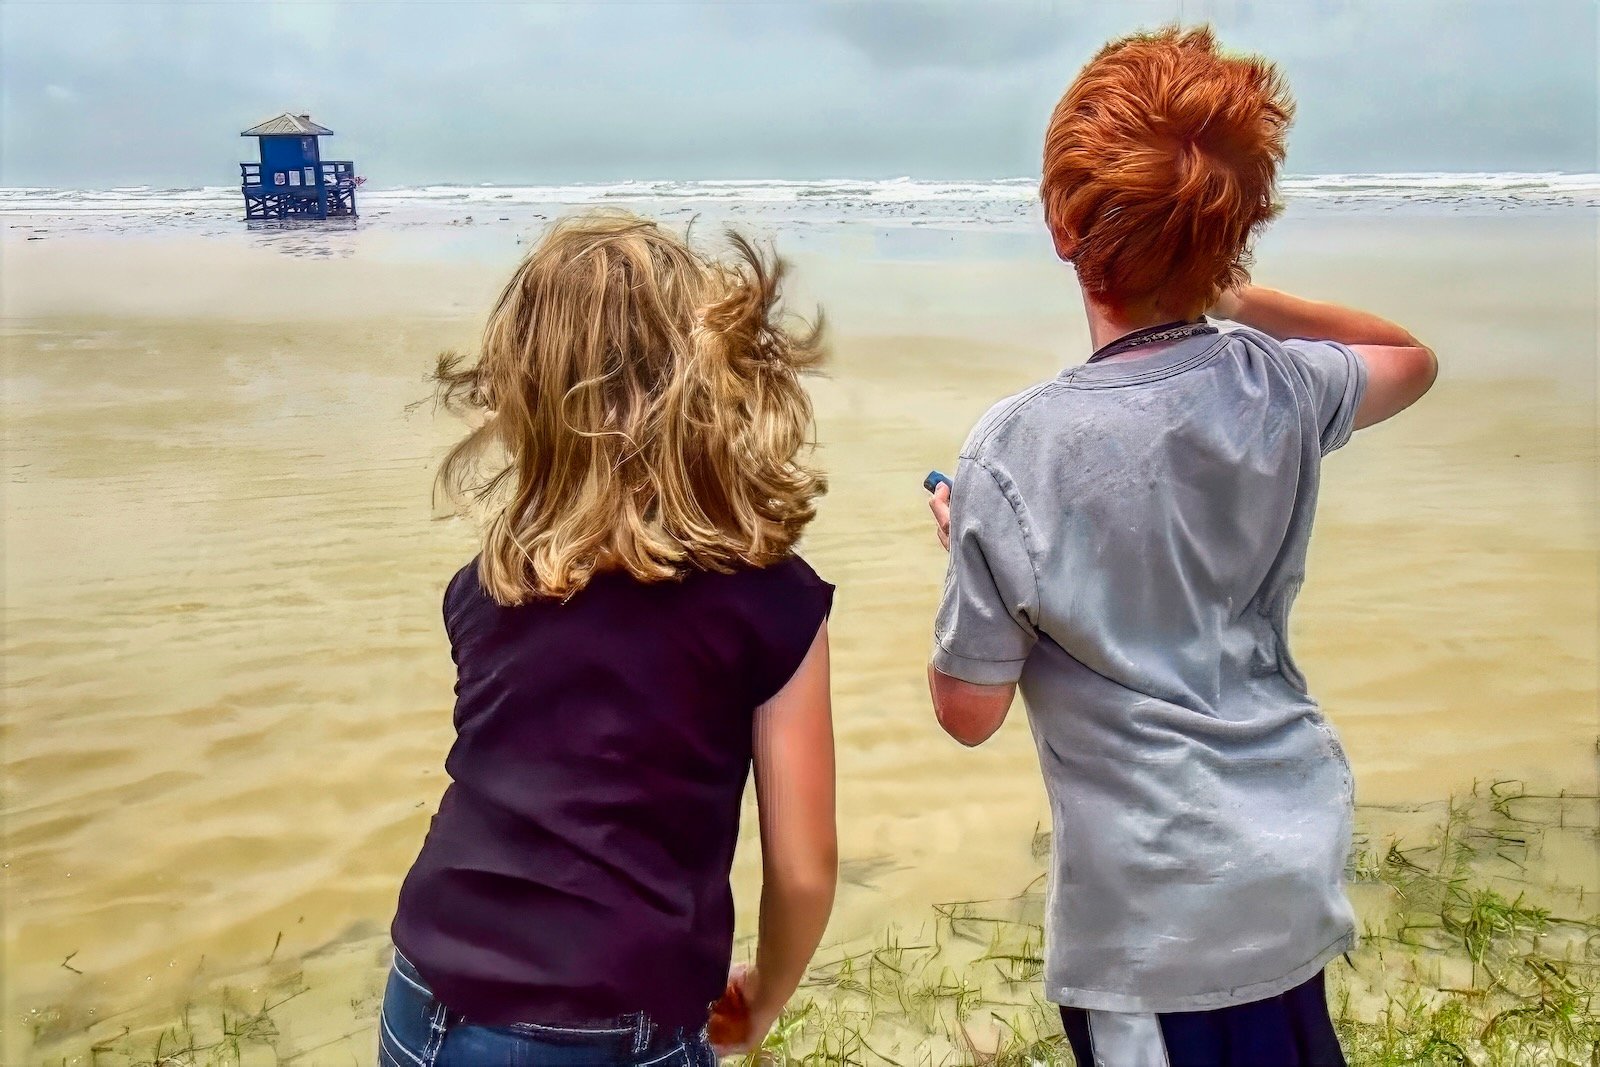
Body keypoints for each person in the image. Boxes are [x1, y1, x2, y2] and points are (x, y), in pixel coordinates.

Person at [925, 27, 1436, 1067]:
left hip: (1154, 921)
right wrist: (1227, 291)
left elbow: (966, 711)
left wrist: (975, 554)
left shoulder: (1011, 452)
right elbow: (1408, 358)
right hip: (1289, 861)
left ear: (1061, 225)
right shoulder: (1280, 385)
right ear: (1233, 236)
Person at [382, 213, 838, 1066]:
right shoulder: (773, 602)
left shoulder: (488, 585)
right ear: (712, 379)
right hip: (612, 1019)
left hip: (426, 995)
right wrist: (766, 993)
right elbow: (805, 869)